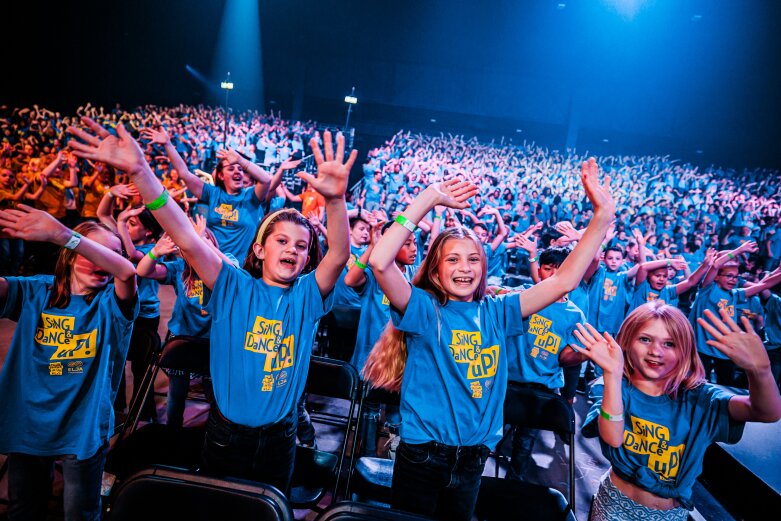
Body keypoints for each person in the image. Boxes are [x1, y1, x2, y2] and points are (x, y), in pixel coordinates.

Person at [67, 118, 354, 494]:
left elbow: (338, 253)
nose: (291, 250)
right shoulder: (231, 284)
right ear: (258, 248)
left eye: (300, 246)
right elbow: (184, 235)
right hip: (225, 436)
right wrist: (141, 172)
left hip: (281, 438)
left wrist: (335, 201)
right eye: (281, 241)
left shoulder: (306, 294)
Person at [362, 158, 614, 520]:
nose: (464, 268)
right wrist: (429, 198)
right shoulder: (422, 308)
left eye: (472, 260)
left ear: (484, 268)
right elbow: (380, 262)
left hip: (472, 457)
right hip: (422, 454)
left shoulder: (499, 311)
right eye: (452, 260)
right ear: (435, 268)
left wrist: (602, 217)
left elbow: (563, 281)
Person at [575, 303, 781, 520]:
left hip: (672, 514)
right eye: (645, 339)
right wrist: (613, 374)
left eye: (670, 343)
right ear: (626, 341)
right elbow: (613, 438)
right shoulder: (615, 387)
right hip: (615, 507)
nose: (655, 351)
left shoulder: (699, 398)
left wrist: (761, 372)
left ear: (684, 351)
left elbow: (766, 412)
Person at [0, 205, 138, 521]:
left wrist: (63, 234)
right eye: (95, 251)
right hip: (29, 421)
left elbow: (127, 272)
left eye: (112, 254)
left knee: (80, 513)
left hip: (83, 426)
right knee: (23, 508)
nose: (104, 260)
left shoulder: (113, 303)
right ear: (71, 255)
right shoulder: (37, 290)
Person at [140, 126, 272, 260]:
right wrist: (167, 144)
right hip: (214, 263)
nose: (237, 172)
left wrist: (241, 160)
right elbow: (184, 174)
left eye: (240, 169)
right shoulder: (212, 193)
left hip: (242, 268)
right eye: (231, 169)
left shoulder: (251, 196)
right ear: (221, 175)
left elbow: (267, 180)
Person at [345, 220, 418, 457]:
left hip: (402, 361)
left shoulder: (415, 276)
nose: (414, 248)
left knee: (397, 413)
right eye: (407, 243)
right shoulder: (377, 275)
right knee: (370, 410)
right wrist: (373, 247)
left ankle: (391, 462)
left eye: (414, 242)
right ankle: (364, 460)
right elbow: (350, 280)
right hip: (371, 359)